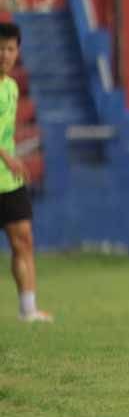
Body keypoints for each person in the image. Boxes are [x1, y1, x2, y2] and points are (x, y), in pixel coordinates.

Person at [0, 22, 51, 323]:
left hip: (8, 179)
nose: (4, 55)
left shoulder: (12, 87)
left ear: (17, 51)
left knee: (24, 239)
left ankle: (28, 310)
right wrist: (8, 157)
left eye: (9, 49)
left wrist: (13, 159)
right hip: (6, 165)